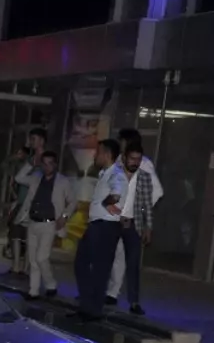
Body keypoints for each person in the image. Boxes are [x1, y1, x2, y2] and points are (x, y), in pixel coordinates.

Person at [107, 130, 162, 314]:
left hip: (131, 220)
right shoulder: (118, 162)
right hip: (114, 218)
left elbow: (155, 192)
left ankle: (132, 300)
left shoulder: (144, 165)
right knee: (114, 258)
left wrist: (140, 213)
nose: (120, 144)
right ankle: (110, 293)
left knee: (130, 261)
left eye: (122, 141)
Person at [73, 138, 127, 320]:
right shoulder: (105, 173)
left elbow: (117, 193)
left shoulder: (116, 174)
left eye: (98, 152)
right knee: (83, 264)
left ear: (107, 154)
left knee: (99, 269)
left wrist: (106, 203)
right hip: (97, 225)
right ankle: (88, 306)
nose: (95, 155)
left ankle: (92, 310)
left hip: (105, 226)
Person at [15, 150, 74, 299]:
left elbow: (73, 201)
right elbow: (19, 178)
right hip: (33, 221)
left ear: (55, 164)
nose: (47, 167)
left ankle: (51, 283)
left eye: (50, 163)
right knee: (33, 258)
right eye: (44, 163)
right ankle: (33, 291)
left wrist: (64, 216)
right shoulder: (36, 178)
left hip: (50, 224)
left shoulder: (62, 181)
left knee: (41, 257)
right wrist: (30, 164)